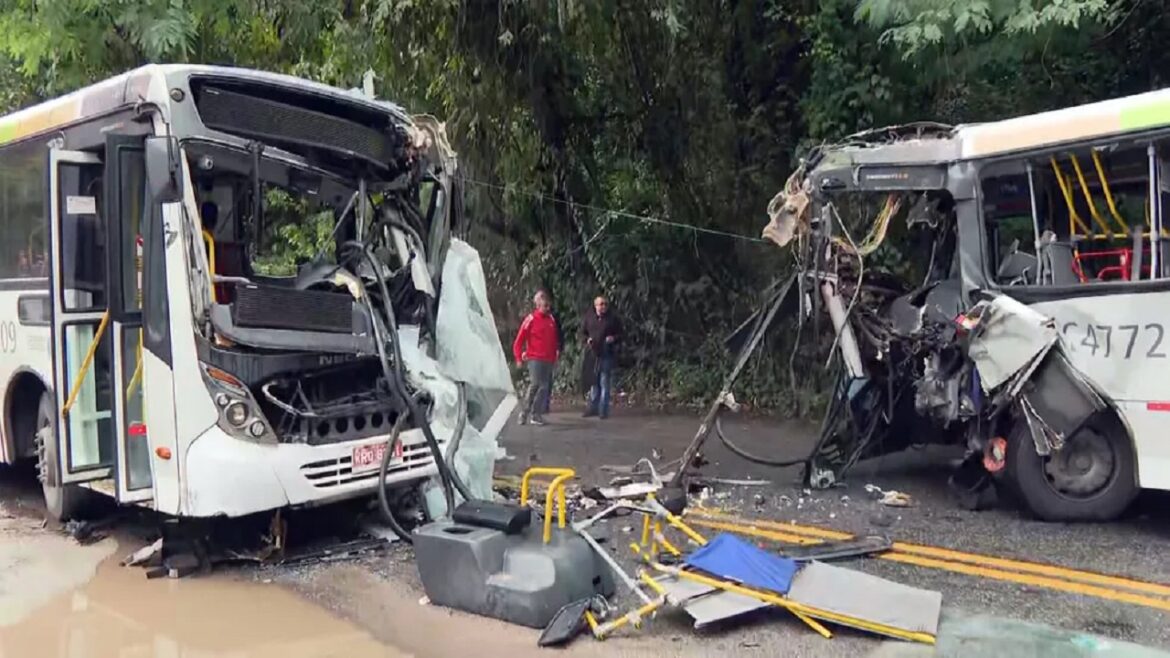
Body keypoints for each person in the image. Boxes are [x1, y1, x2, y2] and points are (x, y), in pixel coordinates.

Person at [512, 290, 562, 426]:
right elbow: (519, 340)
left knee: (543, 387)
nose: (547, 309)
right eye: (544, 306)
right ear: (538, 305)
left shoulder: (551, 319)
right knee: (537, 384)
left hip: (548, 359)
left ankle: (534, 413)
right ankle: (527, 413)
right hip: (535, 358)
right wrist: (518, 357)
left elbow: (553, 339)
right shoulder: (531, 319)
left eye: (548, 306)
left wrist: (556, 352)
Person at [580, 295, 622, 419]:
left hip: (606, 353)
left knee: (604, 381)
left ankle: (603, 410)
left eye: (605, 304)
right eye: (600, 304)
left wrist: (613, 338)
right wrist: (587, 340)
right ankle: (593, 408)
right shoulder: (589, 317)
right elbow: (582, 333)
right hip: (592, 354)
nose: (603, 307)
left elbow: (621, 334)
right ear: (595, 305)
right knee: (594, 381)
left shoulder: (612, 319)